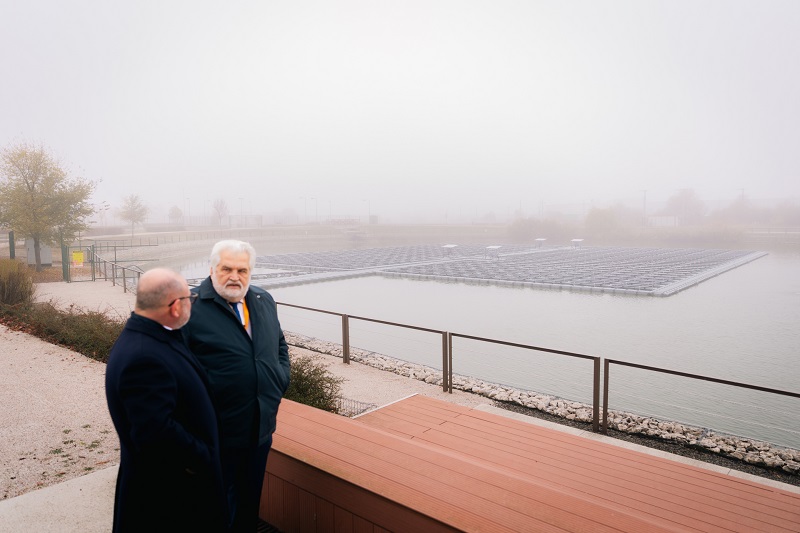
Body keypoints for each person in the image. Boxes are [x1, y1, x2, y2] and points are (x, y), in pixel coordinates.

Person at [105, 268, 226, 533]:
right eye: (189, 299)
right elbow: (155, 433)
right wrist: (203, 458)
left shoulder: (153, 337)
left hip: (171, 494)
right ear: (175, 306)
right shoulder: (144, 357)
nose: (191, 304)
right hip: (171, 504)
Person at [183, 240, 291, 533]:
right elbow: (171, 372)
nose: (235, 277)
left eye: (242, 270)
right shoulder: (188, 307)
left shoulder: (262, 299)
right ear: (211, 269)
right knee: (211, 513)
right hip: (215, 435)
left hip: (259, 430)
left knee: (248, 508)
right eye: (227, 268)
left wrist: (280, 379)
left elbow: (279, 345)